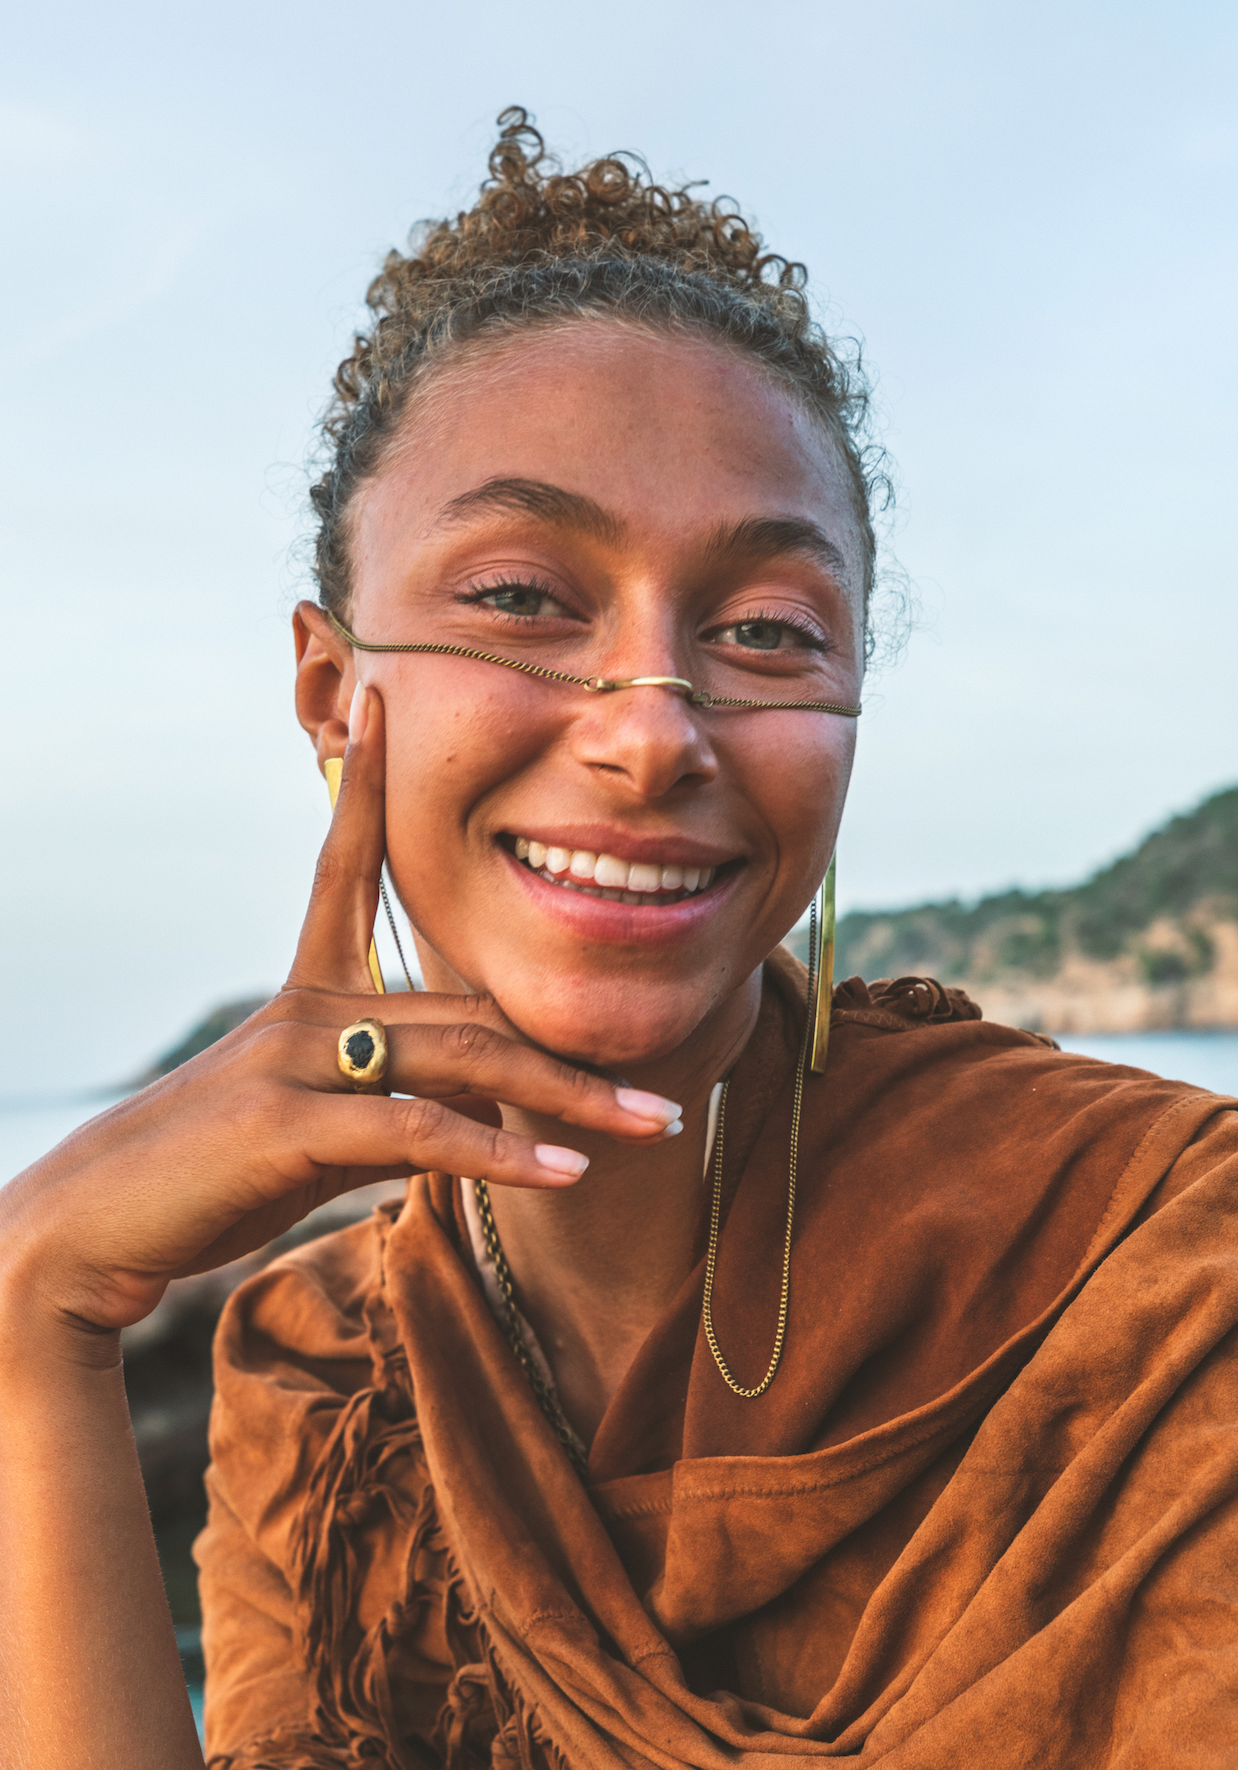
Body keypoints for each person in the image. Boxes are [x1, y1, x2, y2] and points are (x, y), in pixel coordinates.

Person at [3, 110, 1237, 1770]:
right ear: (329, 693)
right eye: (521, 598)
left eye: (763, 631)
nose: (652, 732)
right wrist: (35, 1318)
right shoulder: (322, 1376)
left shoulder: (1160, 1270)